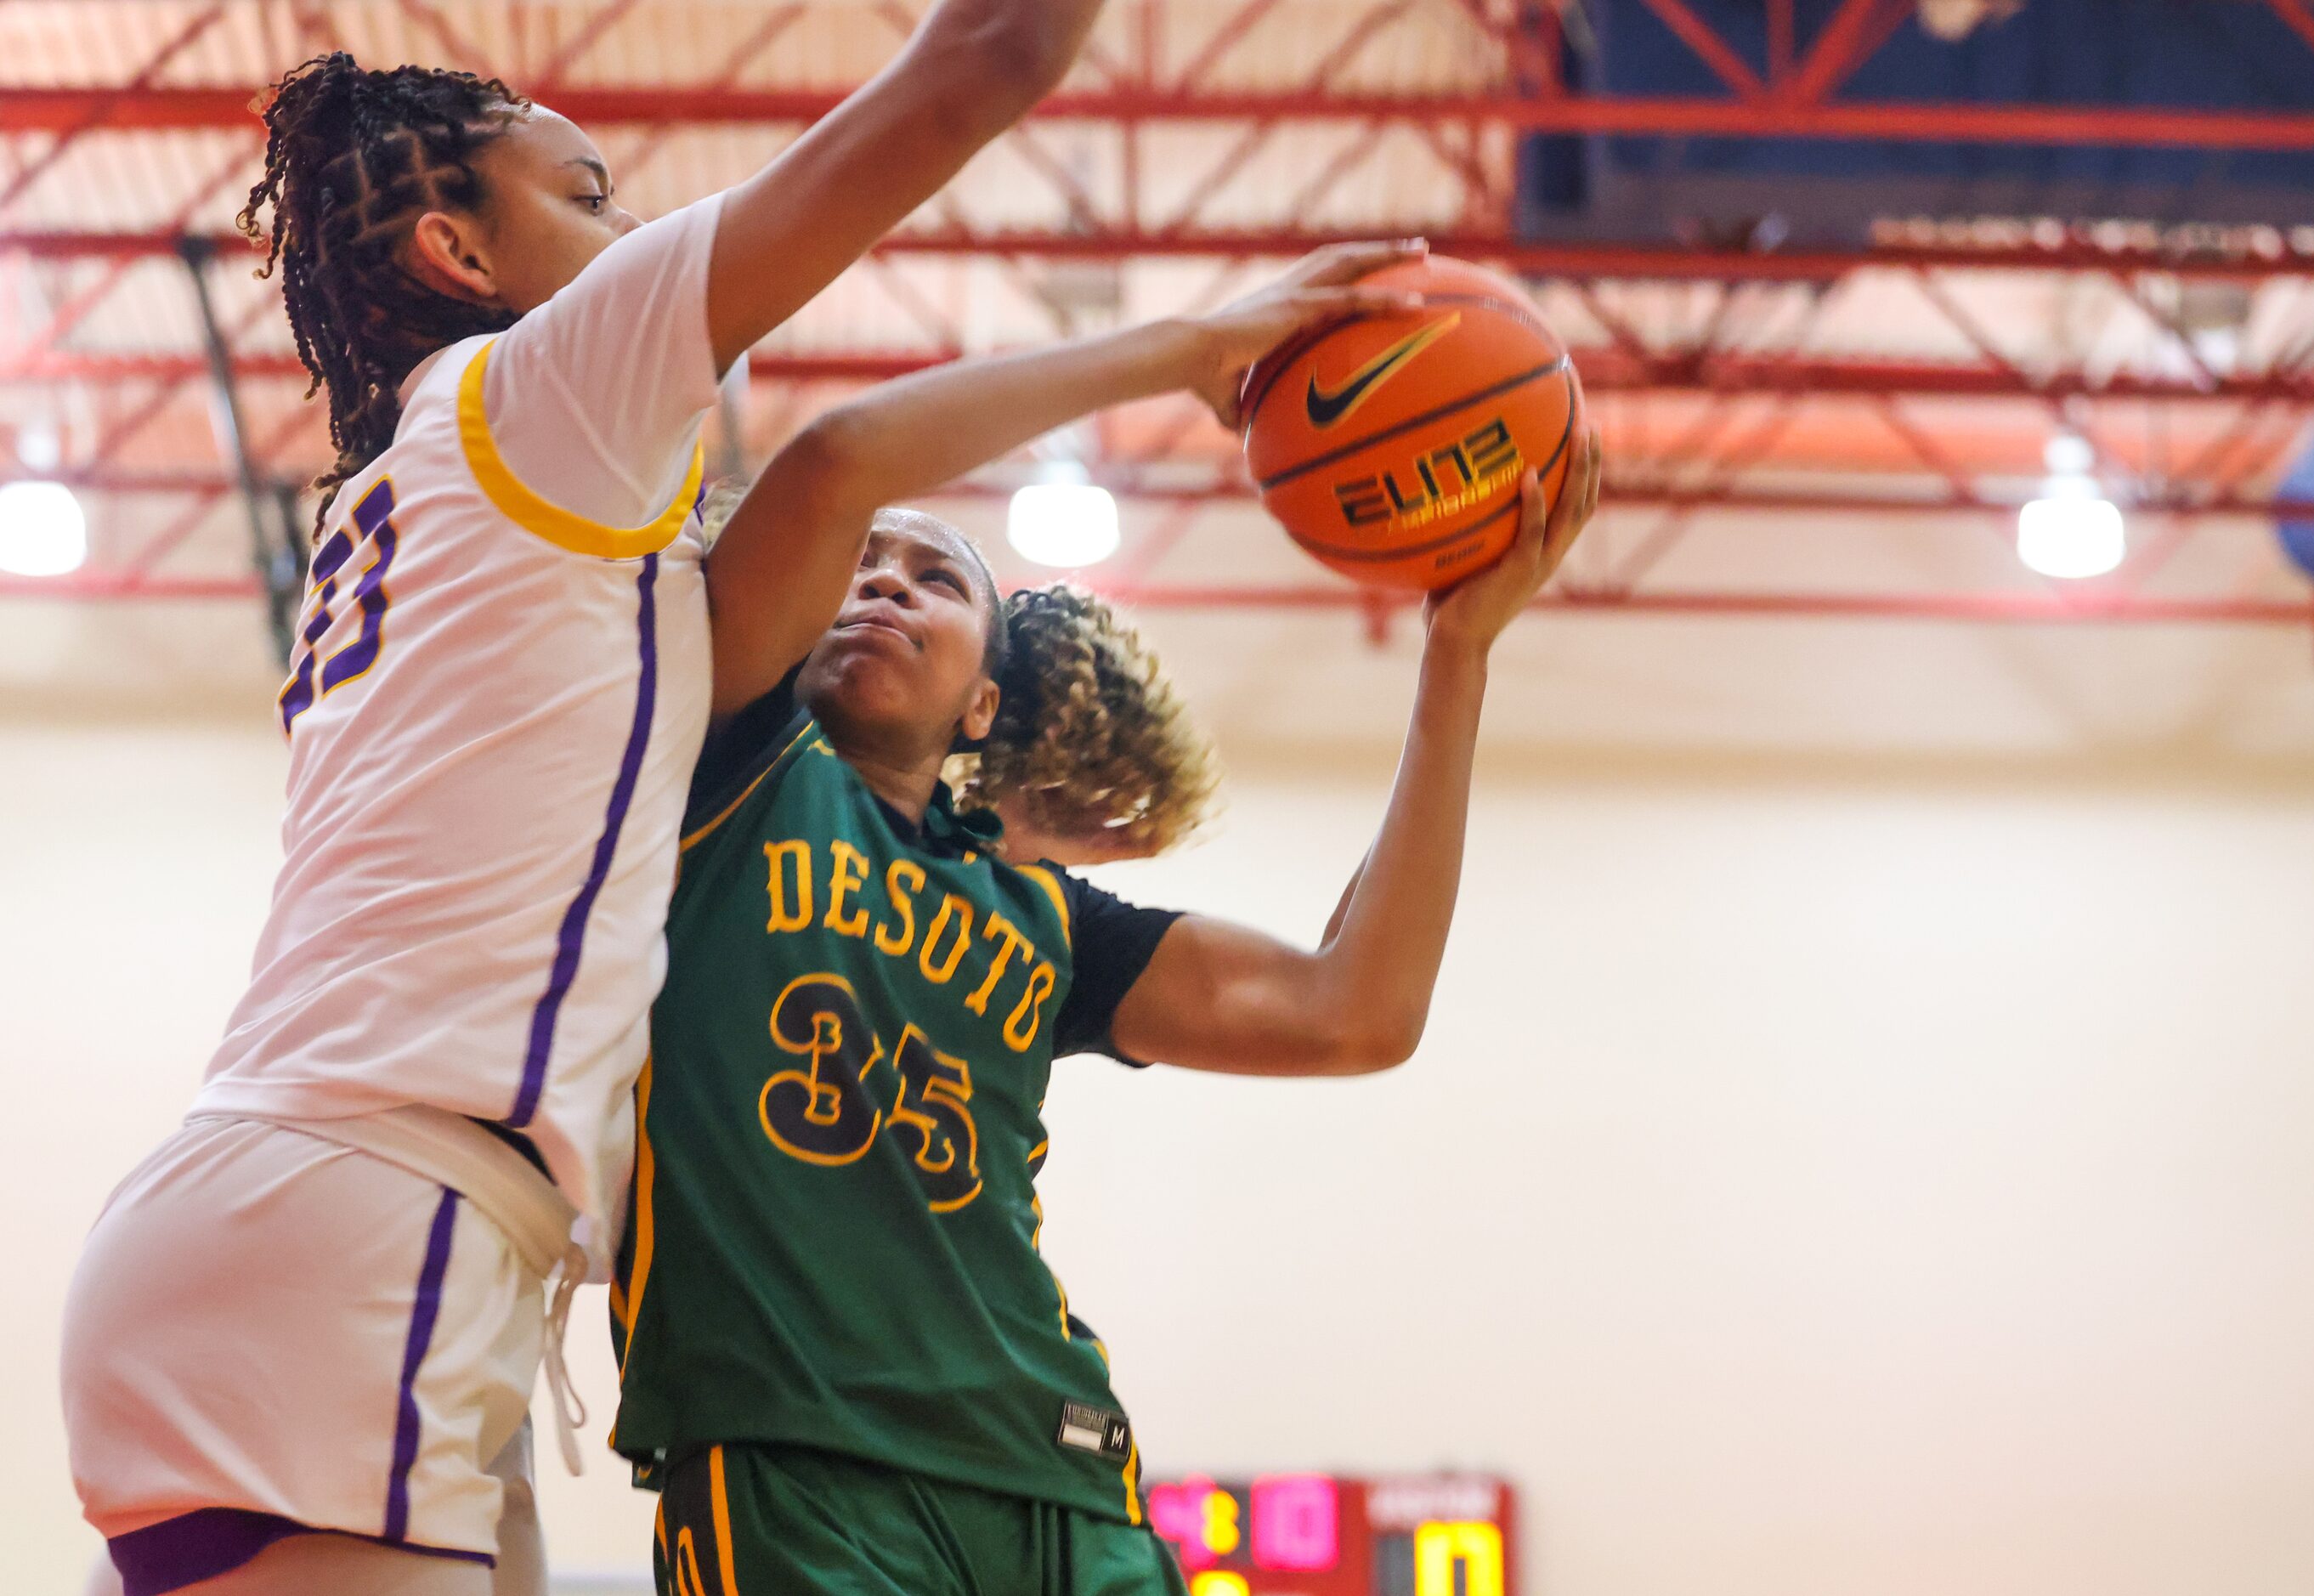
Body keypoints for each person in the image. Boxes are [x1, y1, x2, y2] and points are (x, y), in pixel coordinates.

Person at [59, 7, 1126, 1590]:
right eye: (589, 194)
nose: (631, 232)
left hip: (278, 1218)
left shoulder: (403, 507)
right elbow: (991, 61)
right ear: (457, 250)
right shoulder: (531, 396)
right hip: (381, 1221)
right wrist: (1208, 339)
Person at [610, 397, 1602, 1589]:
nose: (882, 585)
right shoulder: (713, 773)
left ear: (981, 703)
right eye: (858, 564)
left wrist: (1456, 654)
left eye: (934, 579)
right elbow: (821, 475)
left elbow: (1356, 1010)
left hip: (1056, 1468)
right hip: (795, 1461)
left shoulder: (1040, 915)